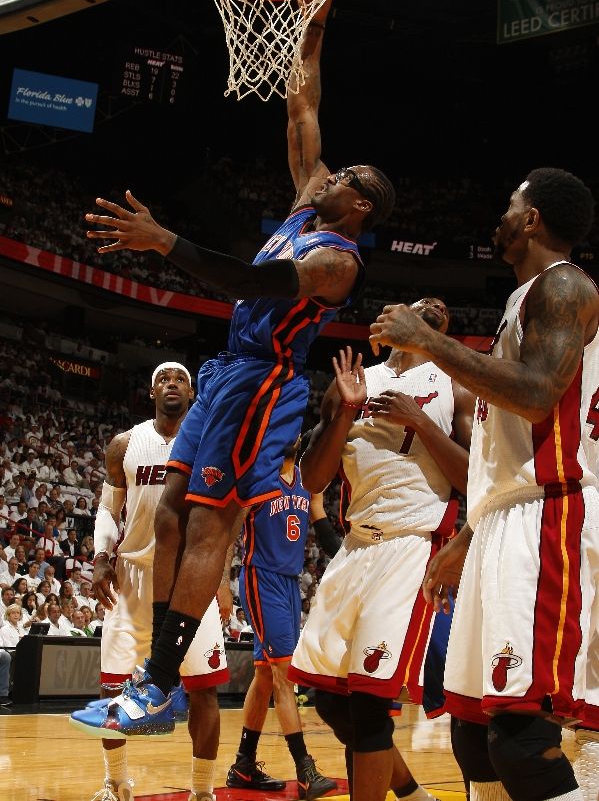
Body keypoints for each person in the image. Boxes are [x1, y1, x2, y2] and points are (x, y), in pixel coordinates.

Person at [80, 0, 396, 735]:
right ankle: (156, 676)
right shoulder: (303, 209)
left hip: (263, 382)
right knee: (161, 514)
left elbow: (247, 283)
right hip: (225, 372)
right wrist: (313, 26)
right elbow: (300, 105)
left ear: (359, 207)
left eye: (342, 175)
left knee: (209, 526)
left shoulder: (335, 260)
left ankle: (158, 681)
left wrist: (163, 241)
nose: (326, 173)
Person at [369, 169, 599, 801]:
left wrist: (430, 342)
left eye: (510, 204)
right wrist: (468, 535)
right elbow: (503, 452)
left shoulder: (565, 286)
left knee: (521, 739)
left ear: (532, 220)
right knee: (473, 737)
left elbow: (536, 395)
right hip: (502, 520)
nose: (501, 215)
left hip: (548, 515)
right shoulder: (521, 300)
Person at [289, 298, 475, 801]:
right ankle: (413, 794)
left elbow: (472, 480)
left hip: (409, 549)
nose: (435, 304)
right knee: (327, 699)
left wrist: (421, 422)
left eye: (442, 307)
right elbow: (313, 478)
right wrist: (344, 414)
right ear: (386, 325)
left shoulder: (453, 384)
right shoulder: (355, 379)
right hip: (354, 548)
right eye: (420, 302)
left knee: (370, 706)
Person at [69, 363, 229, 801]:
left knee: (204, 690)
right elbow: (107, 509)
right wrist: (101, 556)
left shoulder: (210, 443)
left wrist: (222, 577)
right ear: (151, 389)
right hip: (133, 576)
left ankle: (202, 791)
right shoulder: (125, 444)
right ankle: (116, 781)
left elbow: (223, 516)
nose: (172, 383)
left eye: (180, 378)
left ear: (192, 392)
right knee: (113, 688)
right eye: (164, 378)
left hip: (189, 577)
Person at [226, 436, 337, 800]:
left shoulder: (307, 478)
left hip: (290, 583)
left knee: (264, 672)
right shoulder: (258, 476)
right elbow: (231, 529)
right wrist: (219, 583)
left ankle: (243, 765)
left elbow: (320, 521)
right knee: (283, 673)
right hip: (261, 577)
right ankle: (304, 770)